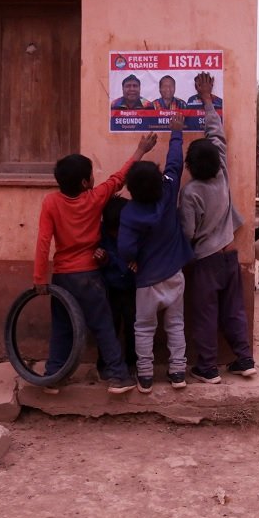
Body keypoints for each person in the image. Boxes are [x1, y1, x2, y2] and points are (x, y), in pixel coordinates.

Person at [33, 132, 157, 394]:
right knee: (103, 326)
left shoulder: (51, 202)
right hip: (89, 275)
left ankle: (53, 376)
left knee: (62, 326)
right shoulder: (95, 198)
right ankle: (118, 377)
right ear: (85, 182)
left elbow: (43, 242)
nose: (94, 179)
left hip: (63, 277)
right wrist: (140, 151)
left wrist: (39, 279)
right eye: (91, 175)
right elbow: (119, 177)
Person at [179, 72, 256, 383]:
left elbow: (187, 233)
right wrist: (208, 99)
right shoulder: (222, 174)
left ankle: (208, 367)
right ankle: (245, 359)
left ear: (190, 166)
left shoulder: (191, 192)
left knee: (205, 314)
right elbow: (217, 135)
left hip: (206, 262)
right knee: (234, 309)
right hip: (229, 255)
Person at [118, 113, 194, 392]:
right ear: (159, 179)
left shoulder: (129, 212)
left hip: (146, 280)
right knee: (175, 325)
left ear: (131, 189)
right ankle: (177, 373)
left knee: (144, 327)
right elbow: (175, 162)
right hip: (174, 273)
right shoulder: (168, 188)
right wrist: (176, 132)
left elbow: (125, 247)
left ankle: (146, 376)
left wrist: (131, 260)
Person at [93, 196, 137, 376]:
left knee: (133, 325)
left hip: (131, 287)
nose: (118, 234)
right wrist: (103, 258)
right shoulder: (101, 233)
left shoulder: (134, 231)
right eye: (114, 231)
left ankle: (132, 363)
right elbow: (101, 256)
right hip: (109, 288)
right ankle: (104, 365)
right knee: (109, 326)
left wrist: (138, 260)